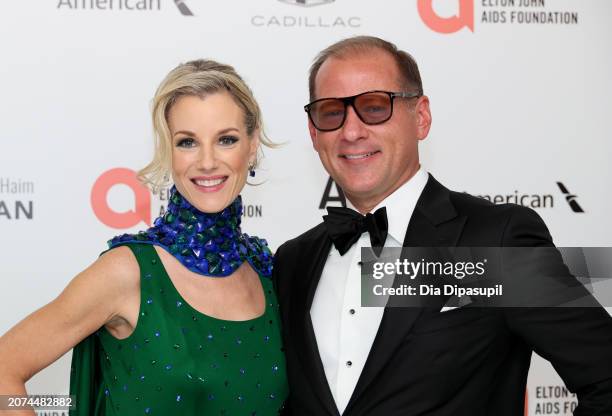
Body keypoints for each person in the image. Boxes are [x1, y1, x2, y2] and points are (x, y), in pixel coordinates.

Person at [273, 36, 612, 415]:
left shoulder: (496, 240)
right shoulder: (293, 261)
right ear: (313, 132)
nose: (352, 131)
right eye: (332, 112)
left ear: (420, 117)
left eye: (374, 107)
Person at [0, 59, 288, 415]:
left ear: (252, 143)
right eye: (187, 142)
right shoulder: (127, 271)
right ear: (168, 150)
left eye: (226, 139)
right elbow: (3, 371)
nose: (207, 161)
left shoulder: (268, 271)